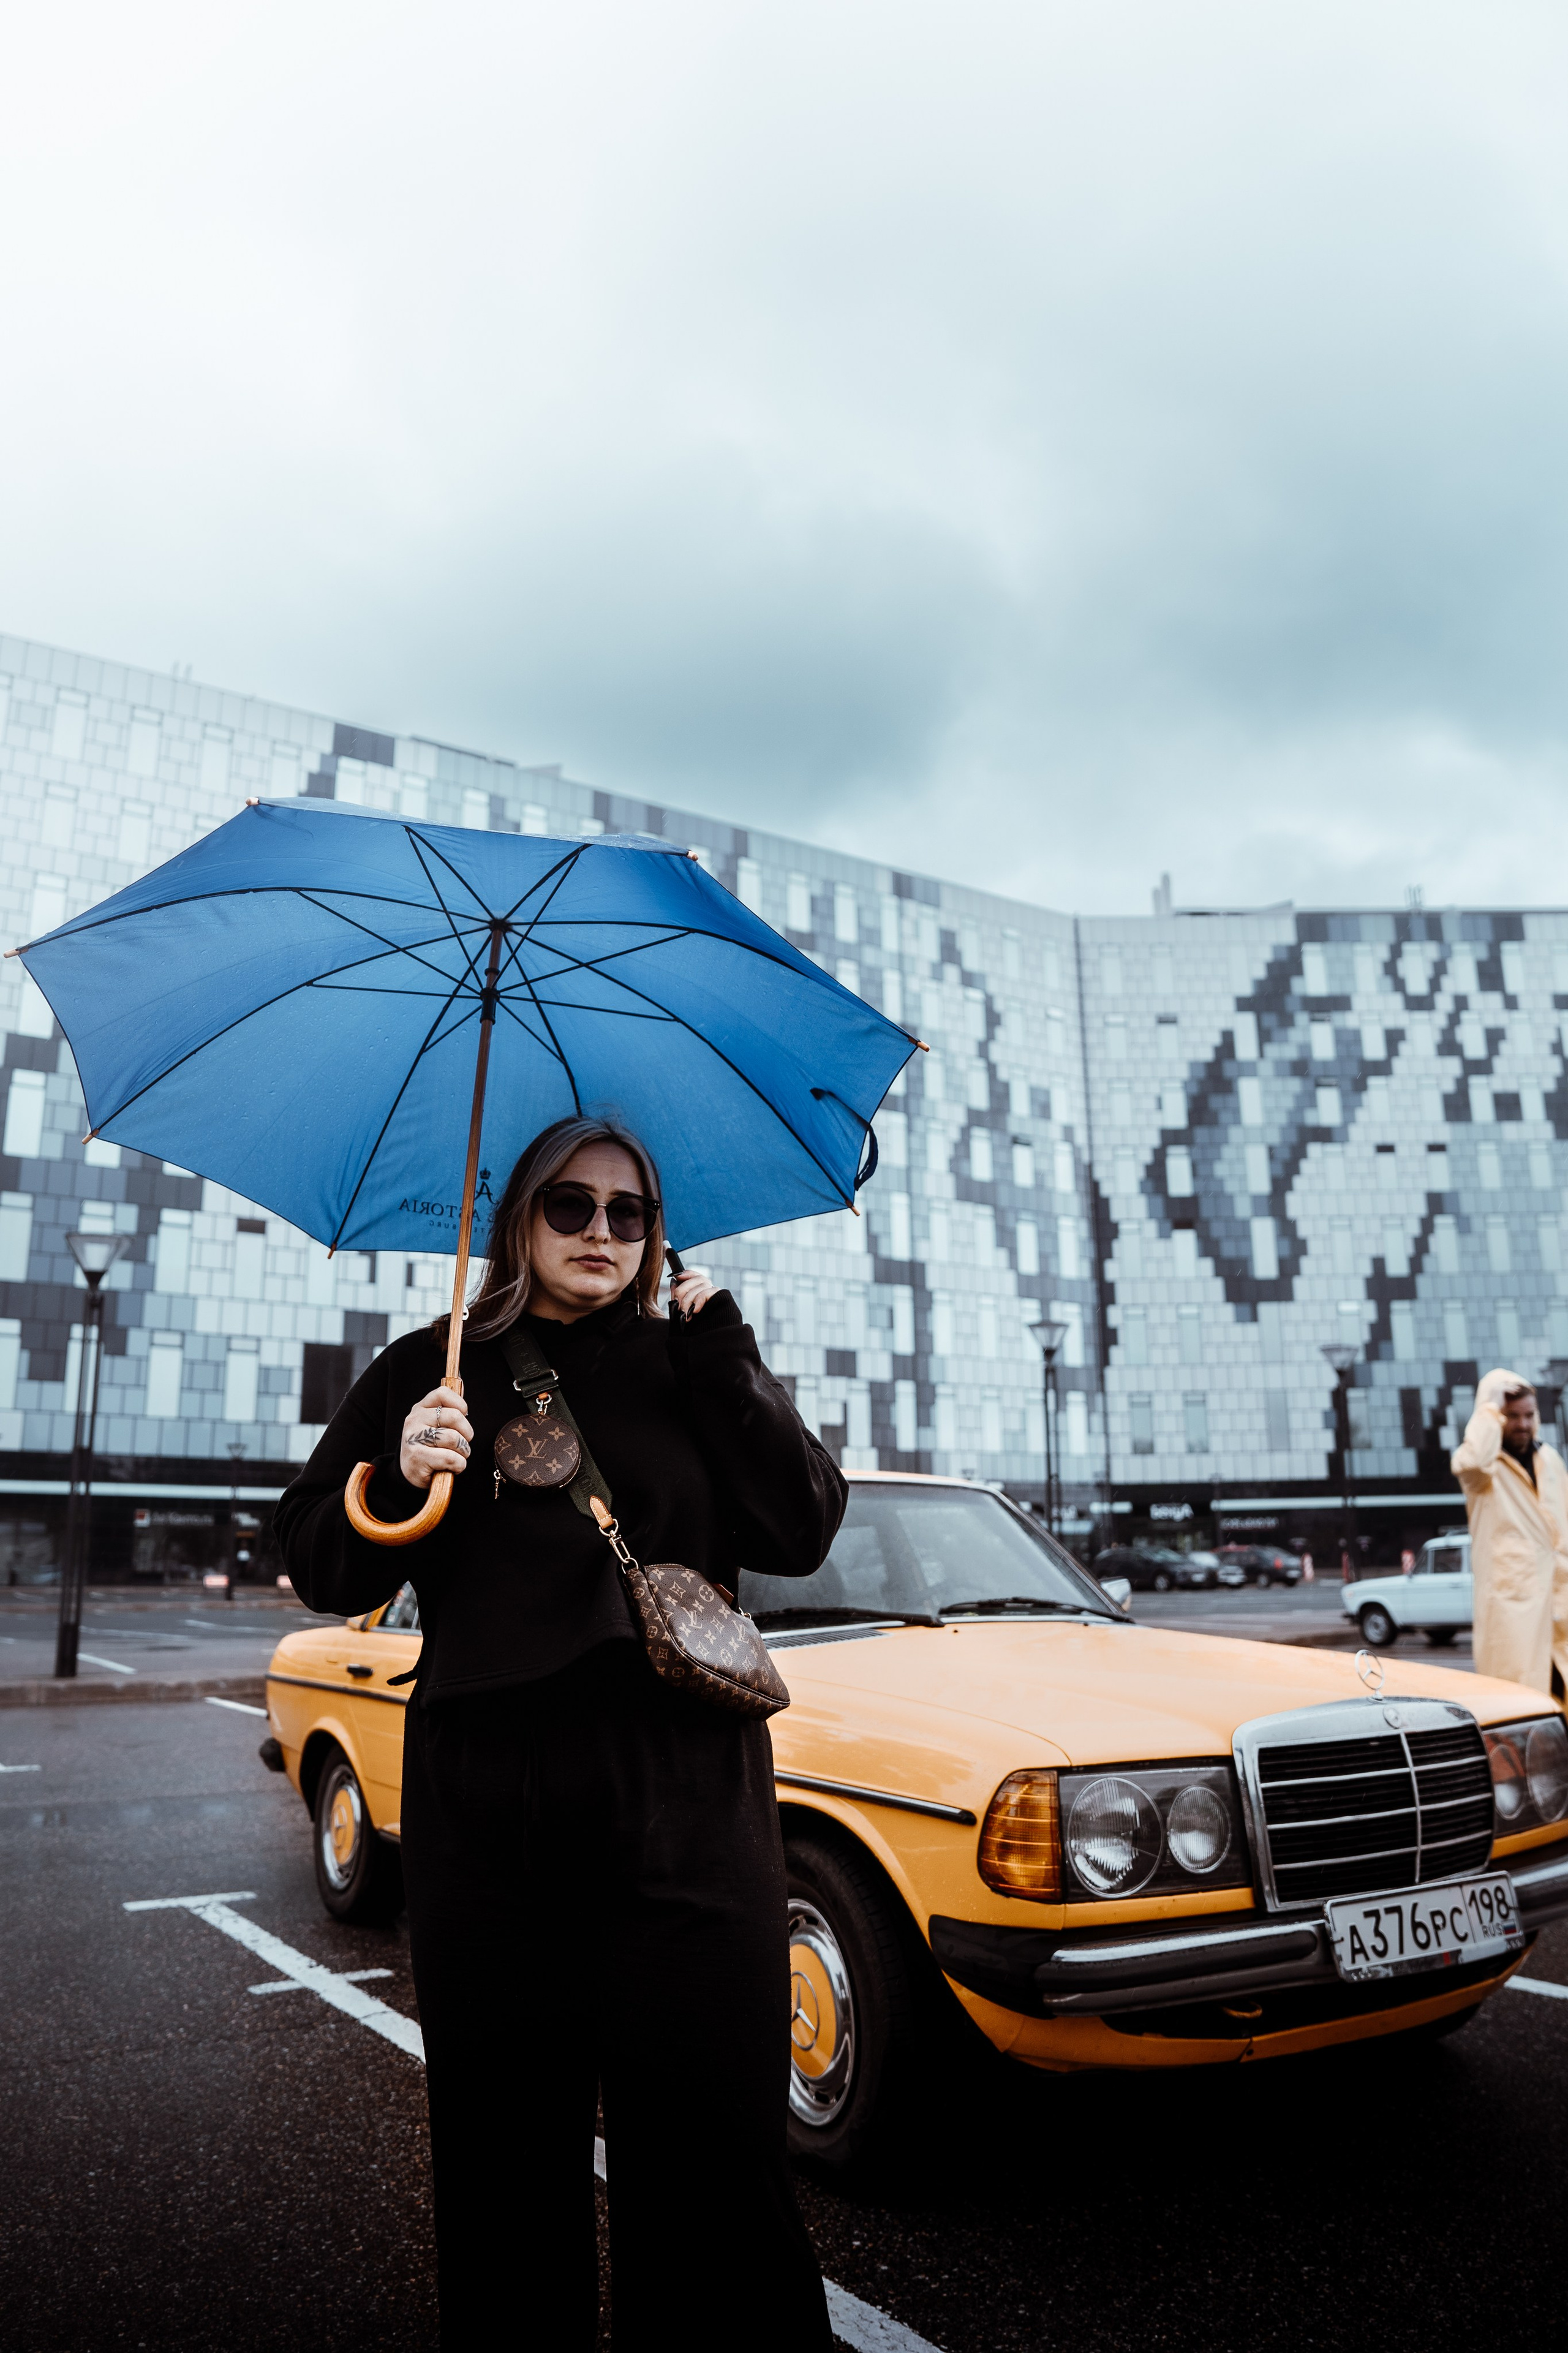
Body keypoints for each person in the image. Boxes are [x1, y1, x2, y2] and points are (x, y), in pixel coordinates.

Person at [275, 1114, 845, 2349]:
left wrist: (728, 1351)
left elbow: (800, 1527)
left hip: (685, 1806)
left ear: (655, 1232)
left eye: (628, 1212)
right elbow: (312, 1551)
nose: (601, 1232)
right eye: (570, 1207)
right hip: (493, 1814)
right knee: (503, 2173)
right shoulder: (431, 1370)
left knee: (713, 2172)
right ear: (519, 1222)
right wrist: (396, 1479)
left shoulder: (694, 1361)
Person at [1450, 1367, 1568, 1696]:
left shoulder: (1550, 1460)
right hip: (1513, 1613)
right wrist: (1489, 1406)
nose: (1523, 1424)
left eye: (1529, 1415)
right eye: (1512, 1416)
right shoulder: (1481, 1472)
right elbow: (1474, 1462)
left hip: (1561, 1605)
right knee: (1520, 1708)